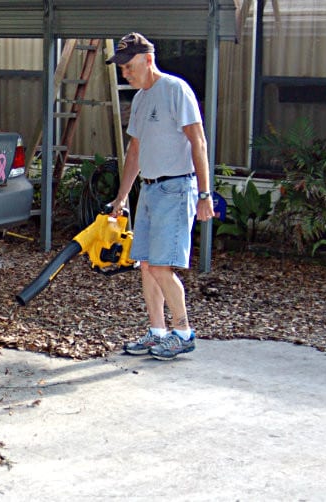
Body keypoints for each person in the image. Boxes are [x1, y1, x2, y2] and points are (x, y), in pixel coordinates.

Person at [106, 32, 215, 361]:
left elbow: (198, 142)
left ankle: (183, 333)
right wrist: (122, 197)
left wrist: (205, 194)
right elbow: (135, 151)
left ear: (149, 60)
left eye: (130, 66)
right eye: (122, 68)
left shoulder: (175, 90)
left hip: (176, 188)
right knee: (146, 265)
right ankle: (157, 332)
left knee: (162, 267)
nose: (126, 73)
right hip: (150, 189)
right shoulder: (140, 99)